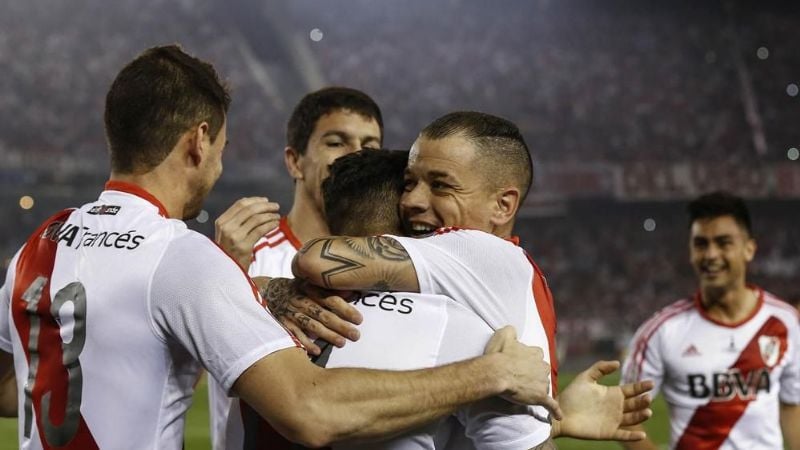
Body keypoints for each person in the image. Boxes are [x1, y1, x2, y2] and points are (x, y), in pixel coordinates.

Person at [0, 45, 565, 449]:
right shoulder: (182, 256)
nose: (219, 164)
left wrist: (258, 289)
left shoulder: (40, 243)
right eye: (220, 146)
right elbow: (310, 412)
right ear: (199, 142)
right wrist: (487, 376)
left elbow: (13, 385)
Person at [276, 111, 654, 446]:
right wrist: (556, 422)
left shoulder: (474, 250)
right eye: (409, 182)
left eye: (440, 185)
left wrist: (276, 288)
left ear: (503, 205)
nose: (412, 201)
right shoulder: (490, 277)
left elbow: (314, 260)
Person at [209, 86, 383, 449]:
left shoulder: (397, 265)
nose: (356, 156)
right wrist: (230, 278)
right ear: (294, 161)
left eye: (369, 146)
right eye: (337, 142)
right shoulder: (248, 255)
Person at [621, 192, 800, 450]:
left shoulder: (785, 321)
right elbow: (625, 418)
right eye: (701, 244)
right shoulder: (661, 331)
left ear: (749, 249)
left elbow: (792, 406)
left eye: (724, 242)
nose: (711, 254)